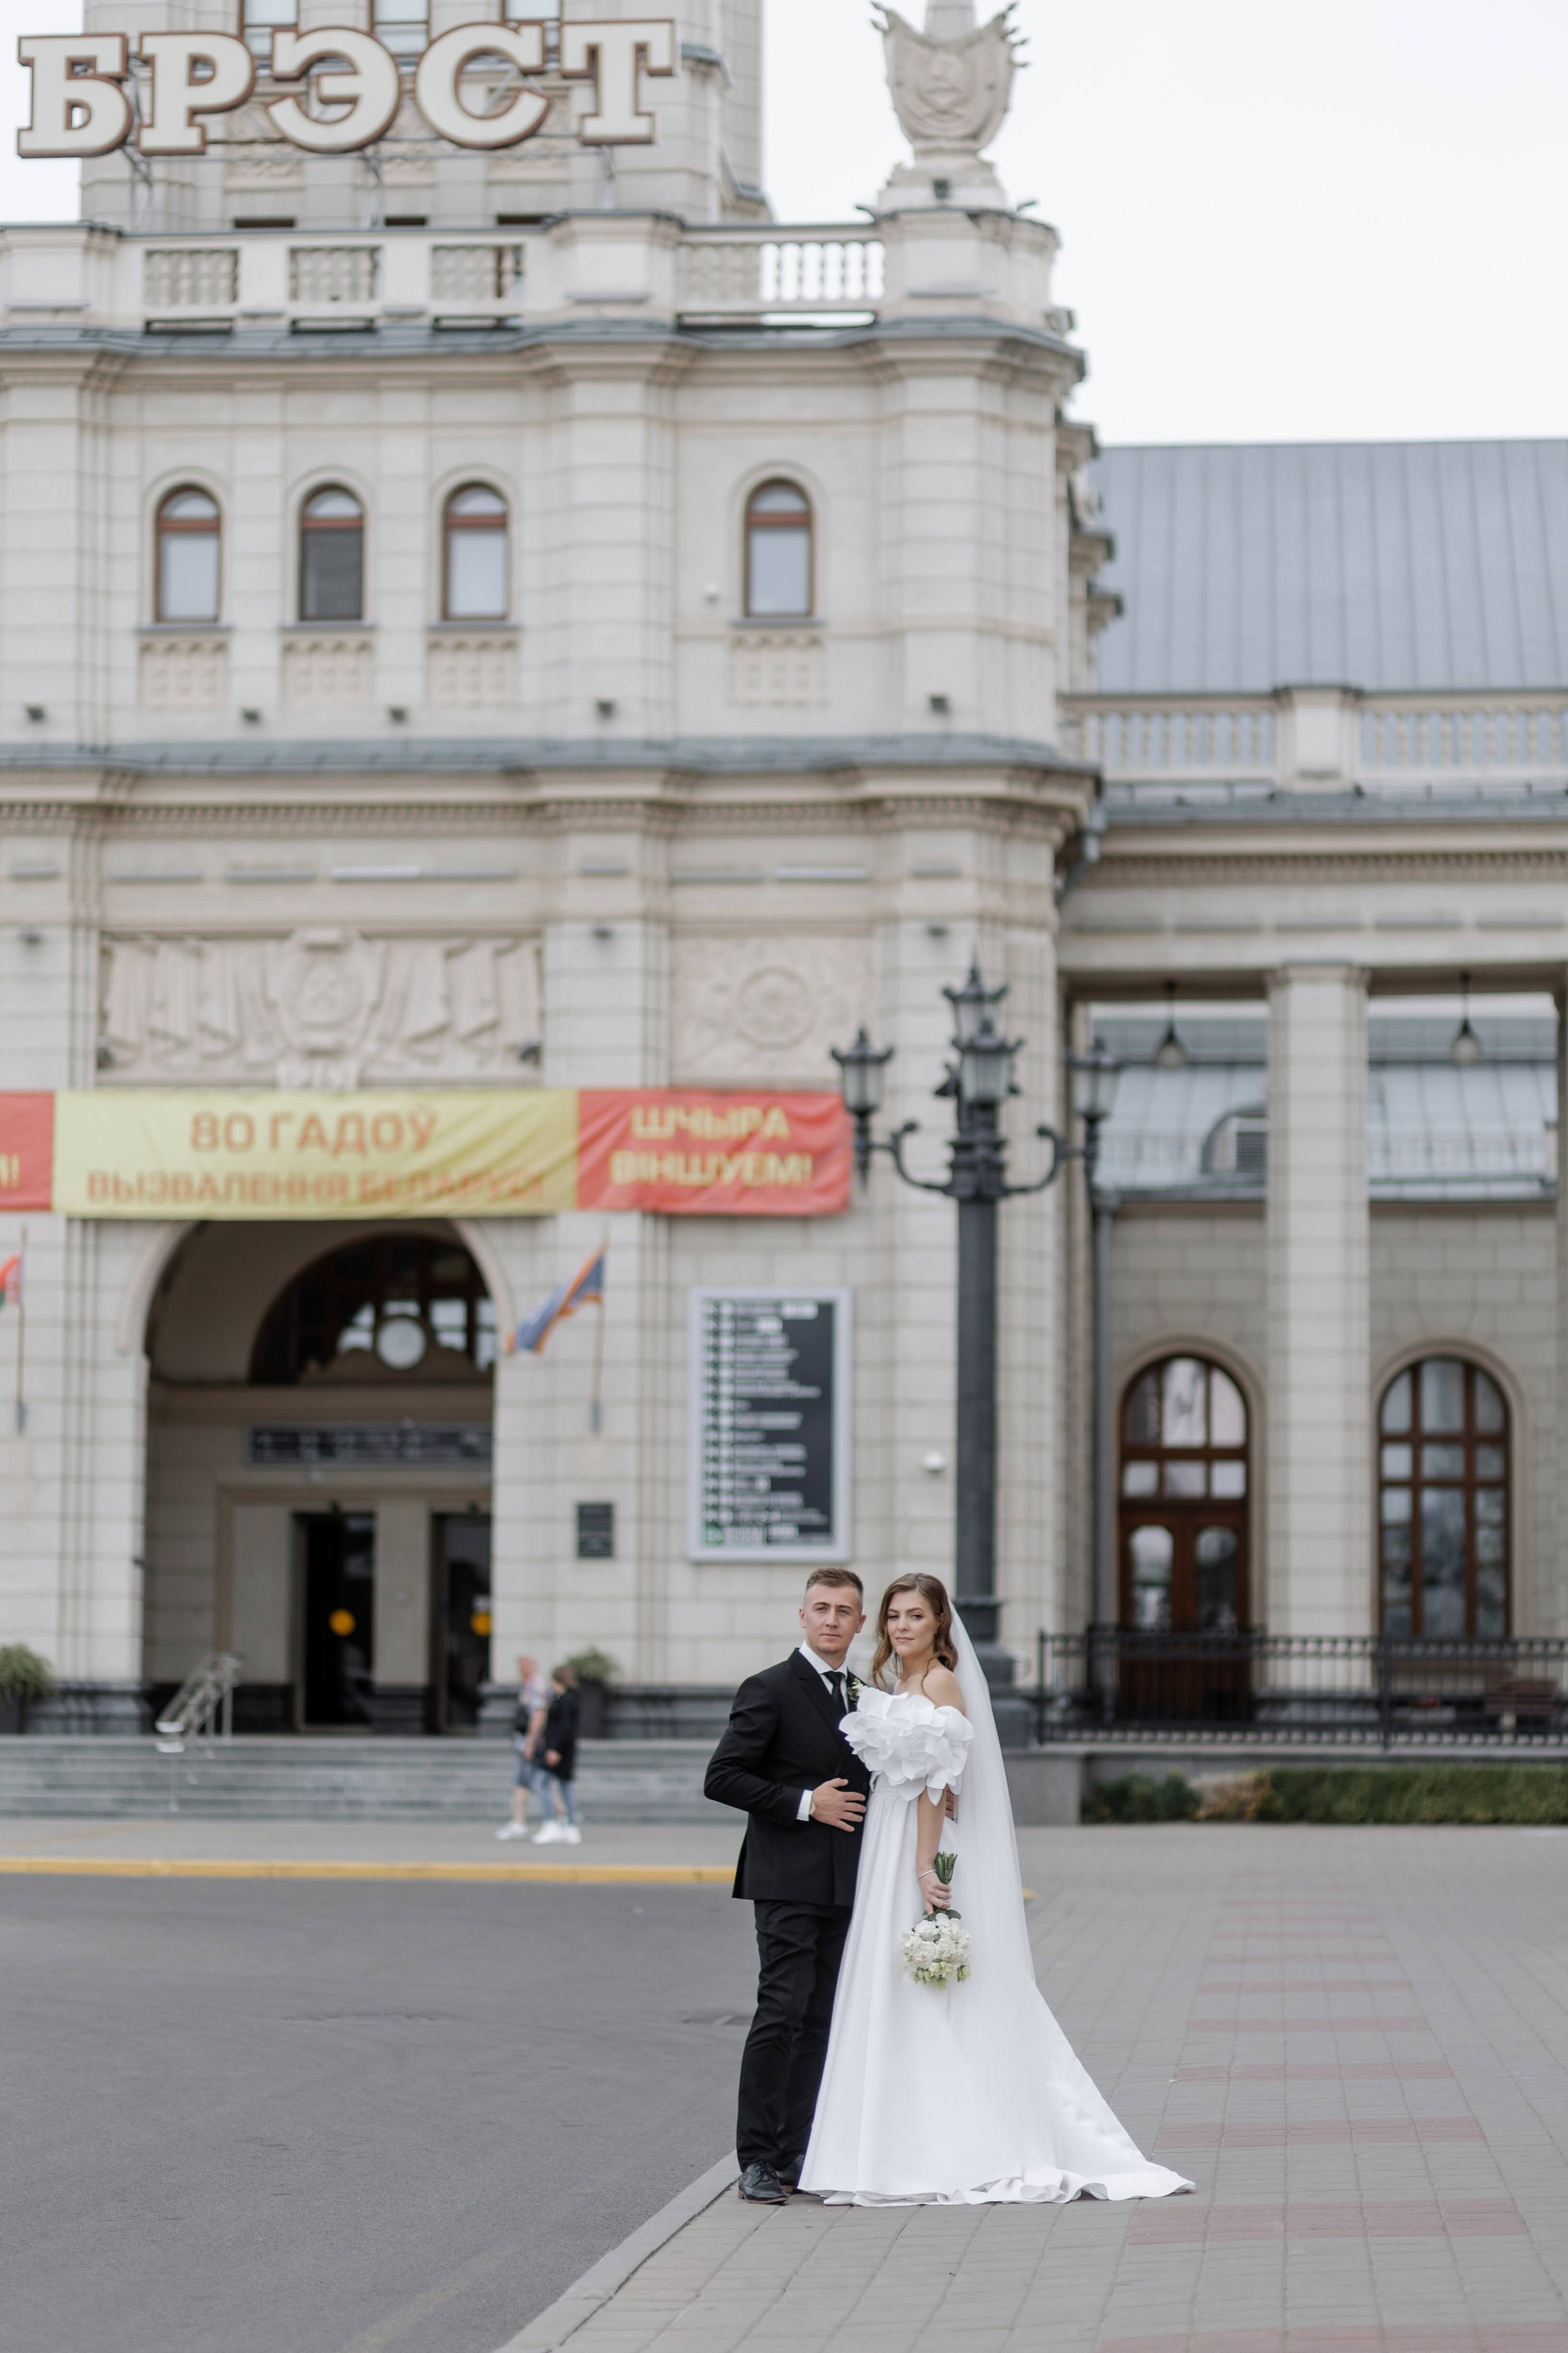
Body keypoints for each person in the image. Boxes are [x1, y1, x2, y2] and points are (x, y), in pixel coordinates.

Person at [799, 1572, 1194, 2207]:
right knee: (903, 1982)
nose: (901, 1626)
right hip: (889, 1836)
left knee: (929, 1984)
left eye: (915, 1617)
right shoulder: (901, 1681)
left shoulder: (939, 1682)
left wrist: (925, 1864)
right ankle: (893, 2136)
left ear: (938, 1626)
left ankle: (946, 2141)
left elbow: (935, 1780)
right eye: (894, 1616)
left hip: (913, 1842)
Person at [704, 1567, 872, 2205]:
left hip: (848, 1883)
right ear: (802, 1616)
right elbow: (722, 1777)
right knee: (780, 2012)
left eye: (845, 1610)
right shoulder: (769, 1688)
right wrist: (804, 1803)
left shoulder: (866, 1696)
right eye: (822, 1607)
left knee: (821, 2019)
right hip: (786, 1879)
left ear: (859, 1623)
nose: (832, 1619)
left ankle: (798, 2150)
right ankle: (756, 2158)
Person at [496, 1653, 550, 1841]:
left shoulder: (536, 1686)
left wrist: (530, 1743)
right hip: (525, 1743)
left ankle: (520, 1823)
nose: (523, 1670)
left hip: (530, 1745)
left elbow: (539, 1714)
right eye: (521, 1667)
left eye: (526, 1666)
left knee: (525, 1783)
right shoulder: (529, 1686)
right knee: (535, 1783)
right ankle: (564, 1817)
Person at [532, 1663, 582, 1846]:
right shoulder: (567, 1699)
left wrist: (555, 1750)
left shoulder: (565, 1701)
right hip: (562, 1750)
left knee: (543, 1784)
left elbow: (564, 1728)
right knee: (563, 1787)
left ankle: (554, 1823)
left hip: (559, 1751)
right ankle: (569, 1826)